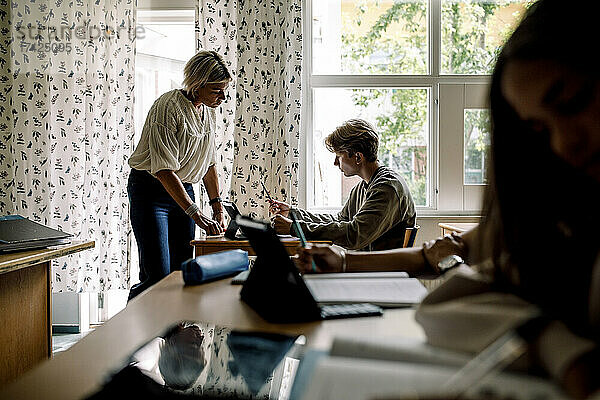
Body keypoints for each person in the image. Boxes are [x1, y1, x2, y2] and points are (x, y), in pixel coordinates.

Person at [299, 0, 600, 397]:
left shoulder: (385, 186)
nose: (565, 145)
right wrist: (342, 261)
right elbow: (436, 256)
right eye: (539, 129)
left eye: (574, 102)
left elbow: (363, 235)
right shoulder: (561, 209)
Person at [127, 51, 231, 300]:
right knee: (158, 275)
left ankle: (174, 333)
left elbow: (208, 163)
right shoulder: (167, 107)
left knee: (181, 271)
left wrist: (217, 206)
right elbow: (163, 169)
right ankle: (133, 324)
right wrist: (195, 212)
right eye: (217, 90)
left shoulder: (207, 112)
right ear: (197, 84)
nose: (223, 97)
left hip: (183, 187)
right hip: (151, 190)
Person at [269, 118, 416, 251]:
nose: (335, 162)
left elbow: (353, 236)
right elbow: (340, 221)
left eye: (339, 156)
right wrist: (293, 213)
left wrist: (294, 228)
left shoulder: (387, 188)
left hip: (378, 273)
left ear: (358, 157)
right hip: (364, 268)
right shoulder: (362, 187)